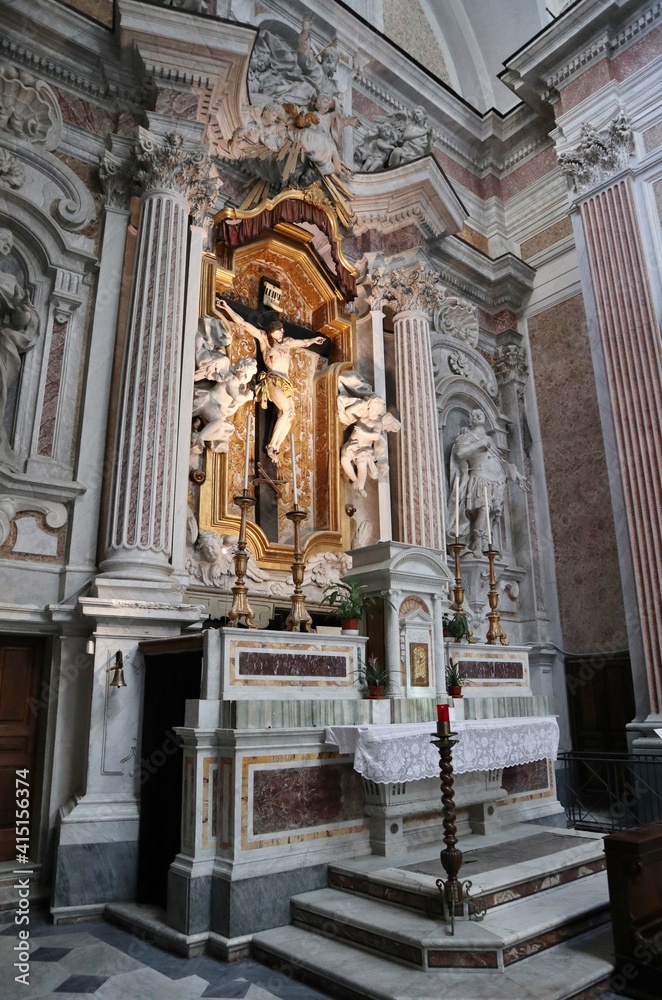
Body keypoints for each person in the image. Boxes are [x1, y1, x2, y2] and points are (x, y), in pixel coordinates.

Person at [217, 300, 324, 464]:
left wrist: (314, 340)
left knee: (291, 415)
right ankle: (271, 445)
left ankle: (276, 447)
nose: (281, 334)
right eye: (277, 331)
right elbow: (244, 323)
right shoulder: (264, 341)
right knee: (287, 410)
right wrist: (227, 308)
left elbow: (304, 342)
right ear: (270, 332)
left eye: (281, 331)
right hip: (272, 379)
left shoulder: (287, 343)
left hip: (286, 382)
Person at [448, 408, 527, 556]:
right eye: (474, 414)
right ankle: (477, 544)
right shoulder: (467, 436)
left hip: (496, 482)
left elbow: (500, 460)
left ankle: (485, 544)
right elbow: (459, 453)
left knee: (489, 513)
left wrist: (517, 475)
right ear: (470, 421)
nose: (477, 415)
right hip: (480, 478)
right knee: (484, 508)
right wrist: (479, 444)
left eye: (480, 414)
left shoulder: (489, 440)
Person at [0, 229, 39, 466]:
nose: (6, 245)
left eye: (9, 243)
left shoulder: (11, 282)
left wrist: (22, 311)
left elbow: (24, 321)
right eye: (2, 239)